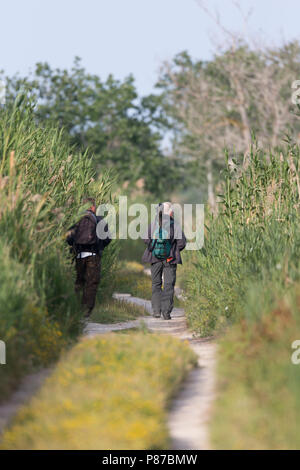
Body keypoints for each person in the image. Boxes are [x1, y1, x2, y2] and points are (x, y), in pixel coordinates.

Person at [66, 197, 111, 317]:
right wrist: (99, 246)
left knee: (78, 282)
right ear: (92, 207)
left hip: (79, 255)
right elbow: (108, 238)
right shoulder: (99, 220)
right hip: (93, 256)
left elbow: (68, 237)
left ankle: (75, 308)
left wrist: (74, 247)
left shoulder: (76, 219)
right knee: (91, 283)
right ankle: (86, 311)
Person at [142, 202, 186, 320]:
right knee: (168, 285)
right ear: (170, 212)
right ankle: (166, 312)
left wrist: (155, 248)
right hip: (170, 260)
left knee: (156, 284)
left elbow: (145, 238)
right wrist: (172, 251)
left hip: (155, 259)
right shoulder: (174, 225)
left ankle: (156, 311)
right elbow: (182, 243)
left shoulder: (153, 224)